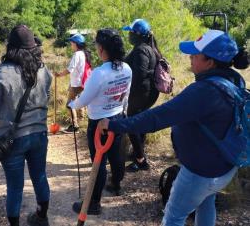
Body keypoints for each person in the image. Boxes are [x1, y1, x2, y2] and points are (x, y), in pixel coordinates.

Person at [97, 30, 248, 226]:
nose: (190, 57)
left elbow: (156, 118)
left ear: (210, 62)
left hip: (200, 173)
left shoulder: (203, 91)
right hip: (225, 168)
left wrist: (115, 124)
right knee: (205, 202)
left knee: (174, 216)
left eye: (195, 54)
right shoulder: (234, 80)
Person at [0, 25, 52, 226]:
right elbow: (46, 97)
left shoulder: (2, 72)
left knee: (15, 186)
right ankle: (42, 217)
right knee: (40, 175)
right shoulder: (43, 69)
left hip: (11, 138)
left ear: (10, 47)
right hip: (39, 133)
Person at [69, 28, 132, 214]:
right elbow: (125, 94)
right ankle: (116, 185)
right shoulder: (127, 68)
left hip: (99, 124)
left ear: (102, 48)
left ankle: (94, 203)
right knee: (116, 155)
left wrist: (73, 103)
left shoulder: (100, 73)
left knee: (98, 162)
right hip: (118, 117)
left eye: (97, 45)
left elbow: (84, 100)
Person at [121, 19, 161, 172]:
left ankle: (140, 160)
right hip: (147, 93)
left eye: (131, 32)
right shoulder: (148, 48)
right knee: (141, 124)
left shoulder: (141, 50)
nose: (129, 35)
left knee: (132, 124)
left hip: (141, 94)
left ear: (138, 34)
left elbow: (140, 74)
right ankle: (138, 153)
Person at [55, 33, 91, 132]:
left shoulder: (77, 54)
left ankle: (75, 125)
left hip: (76, 84)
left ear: (76, 44)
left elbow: (70, 69)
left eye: (72, 43)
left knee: (70, 104)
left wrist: (59, 74)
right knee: (79, 102)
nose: (71, 45)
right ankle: (81, 121)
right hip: (82, 83)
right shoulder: (84, 53)